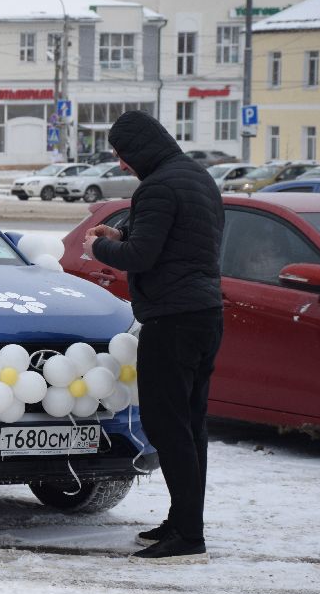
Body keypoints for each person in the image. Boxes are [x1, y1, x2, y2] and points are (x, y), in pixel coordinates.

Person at [82, 110, 224, 564]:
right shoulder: (196, 178)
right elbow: (176, 241)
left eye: (123, 156)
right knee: (190, 426)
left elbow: (142, 256)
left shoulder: (158, 185)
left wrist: (100, 248)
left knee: (167, 427)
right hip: (204, 315)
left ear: (139, 148)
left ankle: (187, 535)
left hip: (173, 319)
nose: (122, 165)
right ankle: (184, 520)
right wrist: (120, 231)